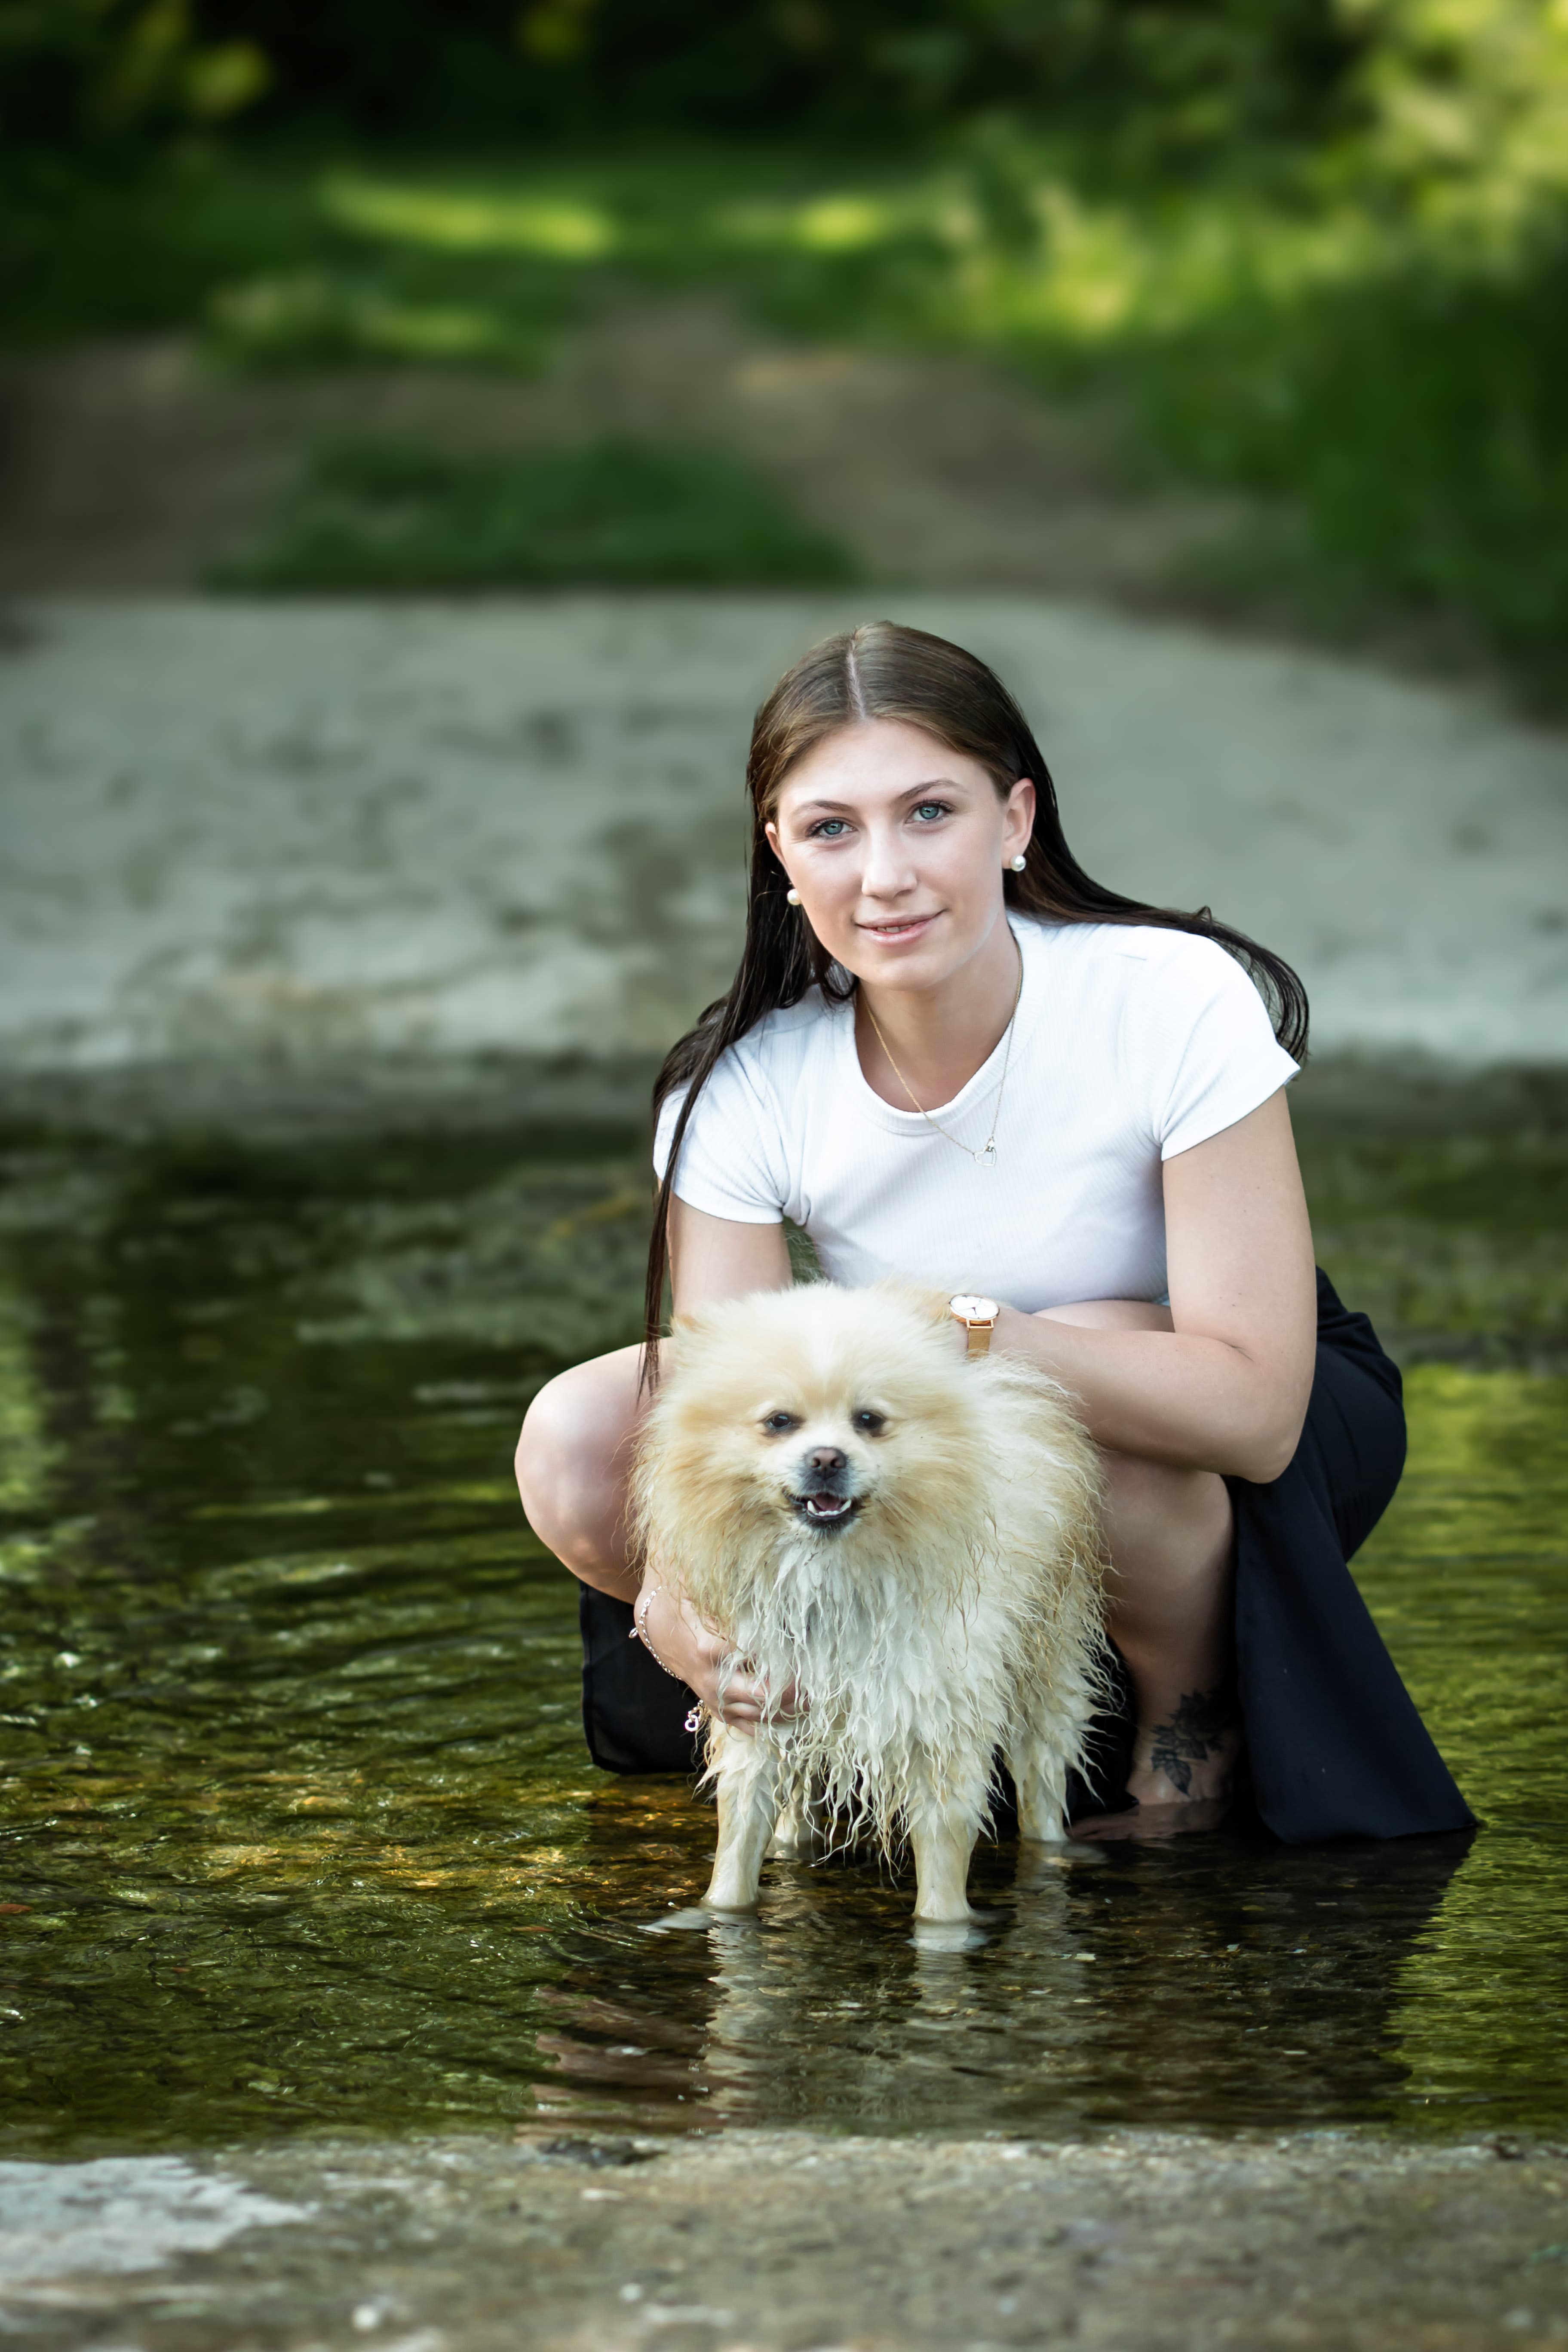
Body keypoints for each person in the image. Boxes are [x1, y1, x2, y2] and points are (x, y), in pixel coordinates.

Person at [516, 622, 1472, 1843]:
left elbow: (1258, 1411)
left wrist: (970, 1334)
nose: (885, 876)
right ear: (780, 857)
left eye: (930, 812)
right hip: (926, 1423)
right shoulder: (745, 1083)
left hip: (1235, 1429)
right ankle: (847, 1719)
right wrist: (669, 1604)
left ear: (1016, 819)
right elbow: (719, 1401)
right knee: (583, 1434)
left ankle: (1195, 1731)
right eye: (831, 829)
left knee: (1067, 1370)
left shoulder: (1167, 995)